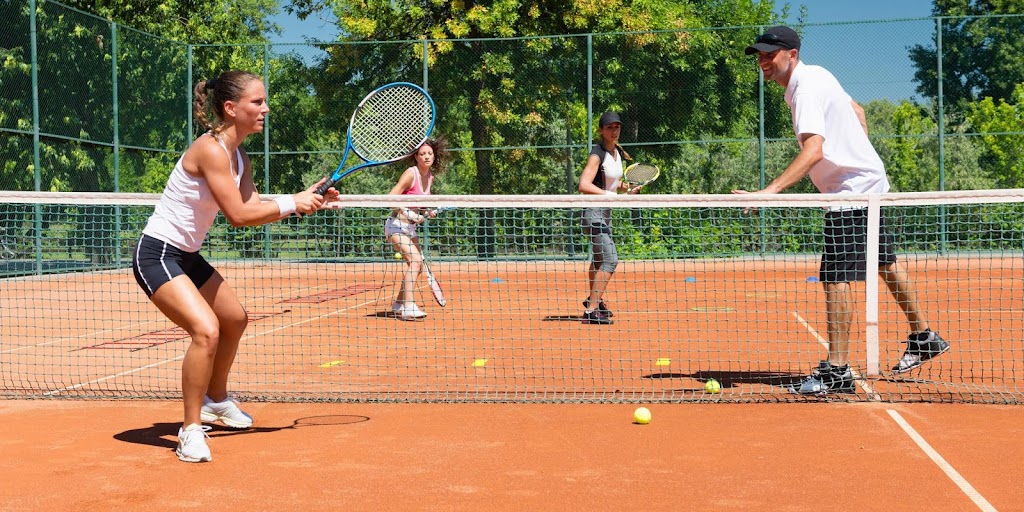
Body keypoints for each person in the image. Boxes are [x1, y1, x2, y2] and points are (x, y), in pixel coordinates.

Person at [131, 70, 339, 462]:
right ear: (230, 108)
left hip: (186, 256)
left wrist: (305, 199)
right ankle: (190, 430)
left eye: (264, 101)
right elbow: (239, 216)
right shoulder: (210, 149)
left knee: (235, 319)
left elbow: (255, 203)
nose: (265, 108)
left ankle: (216, 398)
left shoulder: (239, 155)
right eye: (257, 102)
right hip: (156, 254)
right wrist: (293, 203)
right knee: (206, 331)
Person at [736, 26, 949, 394]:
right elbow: (858, 111)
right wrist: (860, 156)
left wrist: (770, 191)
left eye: (770, 54)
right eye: (760, 54)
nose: (763, 61)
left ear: (792, 54)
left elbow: (814, 150)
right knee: (884, 261)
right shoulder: (820, 75)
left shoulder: (803, 89)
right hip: (869, 185)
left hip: (850, 193)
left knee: (836, 275)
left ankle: (837, 370)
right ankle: (924, 336)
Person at [577, 111, 640, 325]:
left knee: (598, 259)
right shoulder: (597, 154)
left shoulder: (617, 154)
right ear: (601, 130)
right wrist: (610, 195)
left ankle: (595, 299)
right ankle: (591, 311)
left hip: (605, 214)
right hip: (593, 214)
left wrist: (627, 189)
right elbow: (584, 185)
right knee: (610, 259)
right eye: (610, 127)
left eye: (617, 127)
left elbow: (611, 183)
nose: (614, 131)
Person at [385, 137, 450, 320]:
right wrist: (409, 213)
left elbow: (421, 206)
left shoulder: (430, 177)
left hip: (410, 229)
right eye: (422, 154)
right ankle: (409, 306)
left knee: (417, 266)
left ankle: (398, 304)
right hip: (396, 225)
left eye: (430, 153)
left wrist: (426, 212)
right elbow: (390, 198)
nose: (427, 156)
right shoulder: (410, 174)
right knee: (415, 262)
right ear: (416, 157)